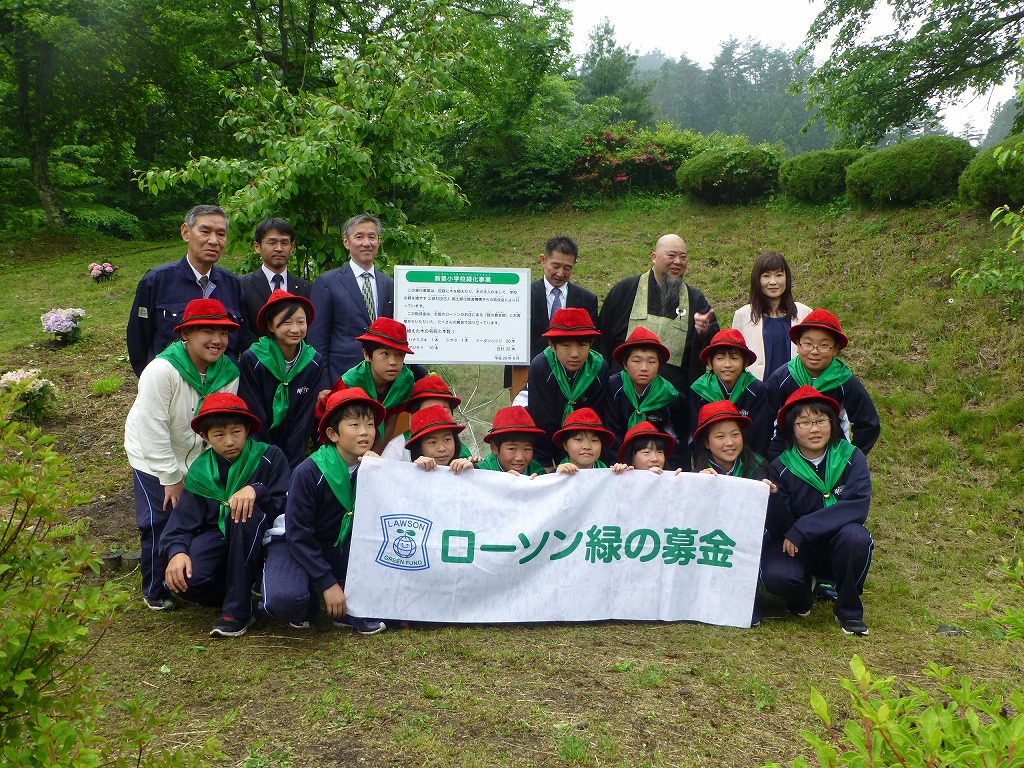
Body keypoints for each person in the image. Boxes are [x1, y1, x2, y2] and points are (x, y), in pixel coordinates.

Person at [124, 298, 241, 611]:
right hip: (152, 456)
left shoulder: (228, 372)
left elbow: (222, 422)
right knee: (158, 518)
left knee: (192, 517)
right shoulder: (163, 370)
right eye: (207, 331)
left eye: (223, 333)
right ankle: (155, 588)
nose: (217, 340)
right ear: (186, 334)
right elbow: (152, 427)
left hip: (198, 456)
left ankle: (188, 573)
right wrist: (170, 476)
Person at [160, 393, 289, 637]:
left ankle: (237, 611)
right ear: (204, 437)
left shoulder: (269, 457)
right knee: (187, 580)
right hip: (216, 537)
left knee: (241, 514)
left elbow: (286, 503)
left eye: (236, 432)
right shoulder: (200, 471)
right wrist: (176, 552)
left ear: (248, 429)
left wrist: (257, 490)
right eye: (219, 435)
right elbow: (181, 524)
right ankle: (240, 592)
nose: (229, 441)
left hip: (263, 539)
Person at [260, 387, 388, 634]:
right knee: (285, 601)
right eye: (354, 425)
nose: (364, 432)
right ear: (332, 433)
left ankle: (347, 605)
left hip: (340, 546)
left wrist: (380, 473)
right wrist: (328, 583)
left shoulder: (374, 468)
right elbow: (298, 534)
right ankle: (305, 594)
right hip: (296, 544)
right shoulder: (308, 472)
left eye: (370, 424)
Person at [761, 386, 873, 636]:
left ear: (832, 423)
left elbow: (856, 506)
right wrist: (775, 499)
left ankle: (849, 610)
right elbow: (780, 528)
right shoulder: (781, 467)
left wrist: (804, 528)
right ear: (791, 428)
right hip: (798, 547)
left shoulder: (851, 458)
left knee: (856, 538)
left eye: (821, 420)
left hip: (837, 542)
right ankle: (801, 595)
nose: (814, 429)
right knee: (776, 576)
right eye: (804, 422)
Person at [127, 205, 245, 377]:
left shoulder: (232, 284)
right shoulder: (156, 281)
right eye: (205, 232)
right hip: (172, 384)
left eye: (221, 234)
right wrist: (151, 380)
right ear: (186, 232)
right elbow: (138, 339)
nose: (214, 241)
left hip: (220, 386)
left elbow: (240, 340)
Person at [599, 233, 718, 392]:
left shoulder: (695, 300)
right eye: (671, 255)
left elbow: (713, 347)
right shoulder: (625, 291)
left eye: (683, 257)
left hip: (672, 397)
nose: (678, 262)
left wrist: (704, 331)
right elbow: (602, 340)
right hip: (623, 394)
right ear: (654, 257)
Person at [764, 309, 880, 459]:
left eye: (824, 345)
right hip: (787, 453)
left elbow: (868, 424)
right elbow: (764, 420)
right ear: (798, 345)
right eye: (808, 344)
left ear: (836, 348)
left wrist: (851, 458)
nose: (814, 351)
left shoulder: (844, 381)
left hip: (832, 455)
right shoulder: (782, 378)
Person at [237, 290, 328, 468]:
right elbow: (253, 412)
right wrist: (268, 457)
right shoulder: (253, 359)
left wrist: (290, 461)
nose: (295, 329)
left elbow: (305, 416)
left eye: (301, 322)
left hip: (294, 454)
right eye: (287, 322)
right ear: (271, 325)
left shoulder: (313, 362)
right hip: (257, 452)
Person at [306, 214, 395, 383]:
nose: (366, 243)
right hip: (341, 375)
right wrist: (323, 382)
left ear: (378, 241)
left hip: (382, 380)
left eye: (372, 237)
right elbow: (317, 338)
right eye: (359, 237)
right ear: (346, 242)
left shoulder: (389, 284)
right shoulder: (327, 282)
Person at [505, 236, 601, 388]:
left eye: (567, 268)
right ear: (543, 260)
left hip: (574, 380)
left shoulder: (586, 299)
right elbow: (513, 340)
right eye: (555, 266)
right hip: (528, 378)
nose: (561, 273)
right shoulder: (522, 296)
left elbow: (591, 345)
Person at [526, 307, 609, 469]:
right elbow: (541, 417)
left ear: (591, 343)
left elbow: (596, 416)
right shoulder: (541, 367)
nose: (574, 354)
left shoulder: (599, 368)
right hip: (548, 439)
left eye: (582, 345)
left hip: (583, 443)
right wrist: (545, 463)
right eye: (566, 345)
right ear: (552, 345)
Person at [604, 326, 689, 470]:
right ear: (625, 364)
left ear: (659, 365)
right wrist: (618, 467)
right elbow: (611, 433)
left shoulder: (671, 397)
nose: (644, 368)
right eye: (636, 361)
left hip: (659, 469)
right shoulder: (612, 388)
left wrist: (669, 473)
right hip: (619, 468)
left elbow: (678, 443)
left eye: (651, 362)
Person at [690, 329, 772, 460]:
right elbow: (697, 435)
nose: (727, 364)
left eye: (734, 358)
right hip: (711, 462)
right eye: (720, 358)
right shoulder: (699, 390)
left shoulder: (756, 389)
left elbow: (760, 434)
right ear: (710, 362)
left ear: (745, 362)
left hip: (749, 460)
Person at [338, 317, 420, 447]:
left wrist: (374, 460)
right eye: (385, 354)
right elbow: (340, 427)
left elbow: (391, 422)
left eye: (399, 354)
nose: (393, 362)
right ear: (367, 355)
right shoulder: (351, 382)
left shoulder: (404, 380)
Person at [731, 252, 812, 381]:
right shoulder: (743, 315)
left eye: (779, 275)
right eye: (766, 276)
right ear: (757, 280)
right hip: (756, 391)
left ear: (787, 278)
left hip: (795, 388)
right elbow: (735, 357)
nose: (773, 282)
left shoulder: (805, 313)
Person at [238, 218, 313, 349]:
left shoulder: (306, 288)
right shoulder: (242, 285)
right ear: (257, 246)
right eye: (271, 242)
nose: (279, 248)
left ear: (292, 247)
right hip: (256, 360)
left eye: (285, 243)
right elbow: (244, 330)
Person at [380, 374, 474, 462]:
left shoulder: (460, 450)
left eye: (444, 410)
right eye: (429, 411)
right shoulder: (396, 450)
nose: (441, 448)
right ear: (413, 416)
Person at [691, 400, 771, 482]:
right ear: (706, 443)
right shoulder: (698, 476)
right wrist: (699, 486)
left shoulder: (757, 468)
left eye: (735, 434)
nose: (729, 443)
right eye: (720, 436)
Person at [476, 406, 548, 476]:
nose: (520, 458)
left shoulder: (537, 471)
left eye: (527, 449)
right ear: (494, 447)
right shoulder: (480, 472)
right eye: (512, 449)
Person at [404, 404, 476, 473]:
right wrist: (414, 471)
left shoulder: (466, 468)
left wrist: (471, 473)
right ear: (419, 447)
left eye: (447, 439)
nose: (442, 449)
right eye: (432, 442)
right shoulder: (408, 475)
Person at [553, 408, 627, 474]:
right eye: (579, 439)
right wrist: (556, 479)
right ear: (565, 445)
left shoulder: (608, 475)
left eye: (594, 440)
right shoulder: (552, 477)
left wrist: (623, 476)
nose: (587, 446)